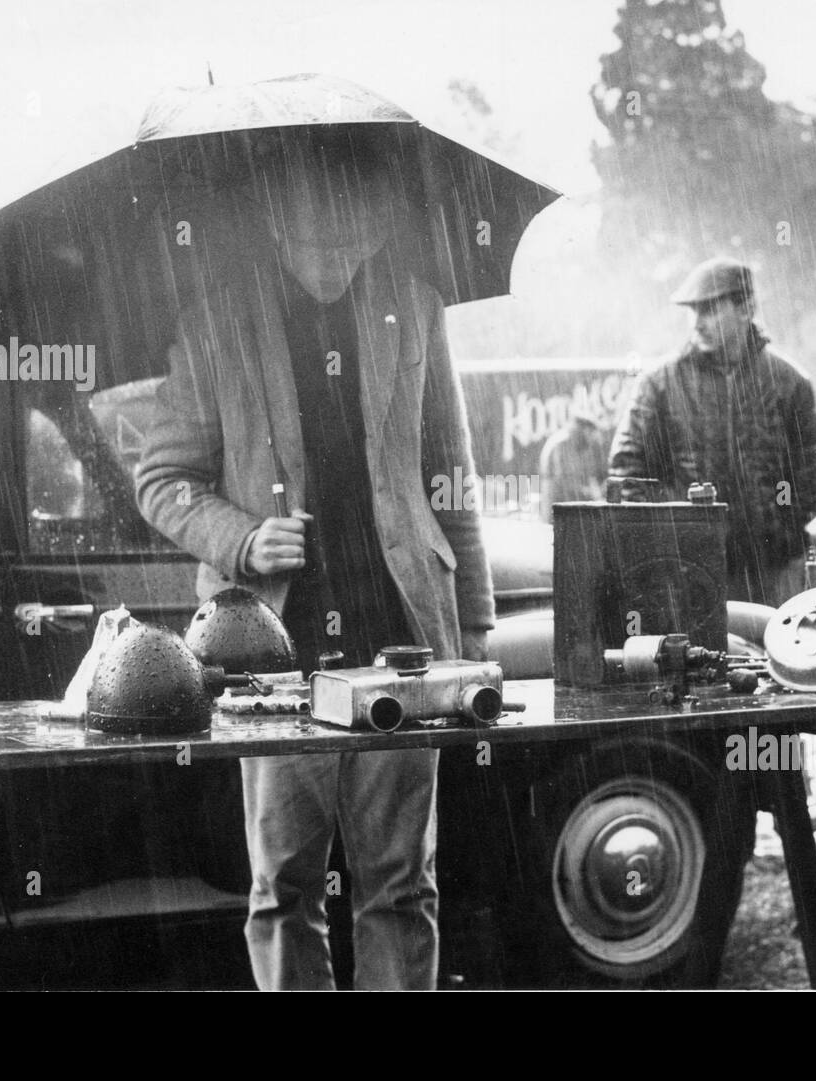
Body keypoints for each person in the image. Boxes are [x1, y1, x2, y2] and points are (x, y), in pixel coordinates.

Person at [134, 129, 494, 990]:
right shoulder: (215, 319)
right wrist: (245, 539)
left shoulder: (415, 305)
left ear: (373, 233)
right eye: (313, 247)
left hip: (404, 641)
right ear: (274, 228)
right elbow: (162, 479)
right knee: (284, 887)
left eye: (351, 245)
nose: (333, 264)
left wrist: (474, 628)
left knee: (402, 886)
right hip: (272, 652)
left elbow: (452, 474)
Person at [609, 256, 816, 606]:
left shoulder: (790, 383)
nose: (697, 323)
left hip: (766, 570)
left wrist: (785, 537)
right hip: (683, 569)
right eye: (692, 312)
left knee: (763, 656)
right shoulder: (660, 383)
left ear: (746, 309)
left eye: (709, 310)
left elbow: (806, 478)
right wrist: (659, 541)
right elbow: (627, 471)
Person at [537, 406, 609, 520]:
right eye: (590, 433)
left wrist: (597, 495)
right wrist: (591, 495)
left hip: (567, 513)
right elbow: (564, 484)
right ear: (583, 428)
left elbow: (588, 478)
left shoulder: (579, 447)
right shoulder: (562, 444)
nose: (591, 439)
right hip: (556, 513)